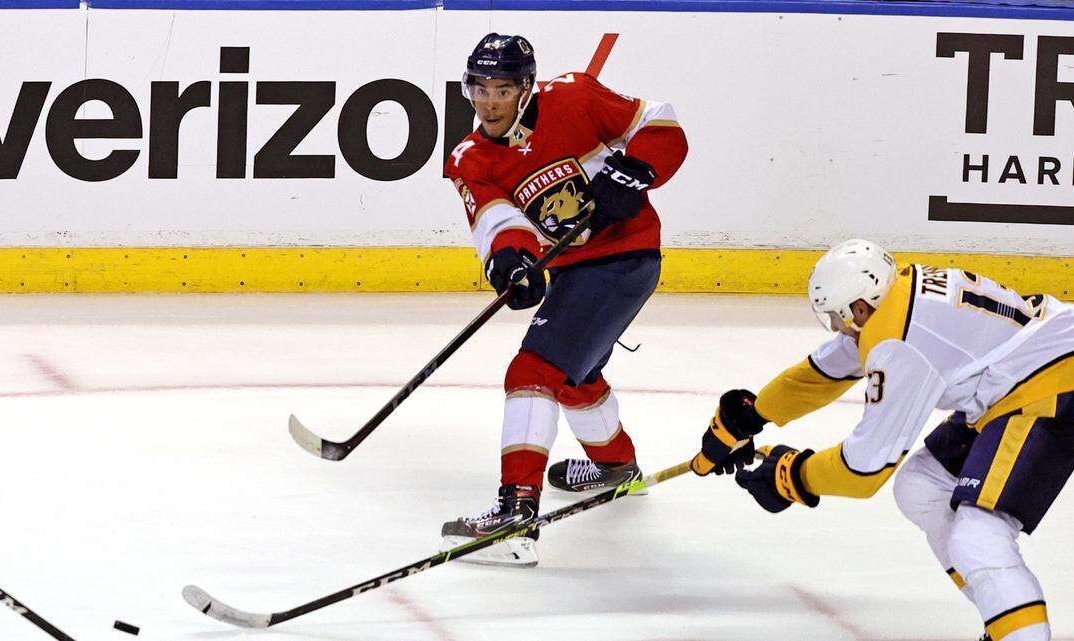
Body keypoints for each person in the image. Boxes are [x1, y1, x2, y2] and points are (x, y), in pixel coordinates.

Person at [693, 239, 1074, 641]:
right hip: (1017, 379)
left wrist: (793, 476)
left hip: (1051, 384)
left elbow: (865, 469)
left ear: (859, 308)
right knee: (921, 486)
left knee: (980, 533)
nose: (838, 328)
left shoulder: (899, 342)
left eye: (838, 317)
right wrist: (752, 416)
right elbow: (825, 372)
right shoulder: (895, 297)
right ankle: (1006, 618)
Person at [439, 33, 688, 566]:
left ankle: (516, 512)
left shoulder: (575, 96)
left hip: (624, 255)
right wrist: (510, 262)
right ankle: (617, 467)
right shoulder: (470, 158)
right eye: (478, 88)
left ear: (525, 88)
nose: (487, 102)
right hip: (573, 269)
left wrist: (638, 169)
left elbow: (661, 124)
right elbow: (496, 220)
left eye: (501, 89)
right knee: (573, 375)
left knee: (532, 371)